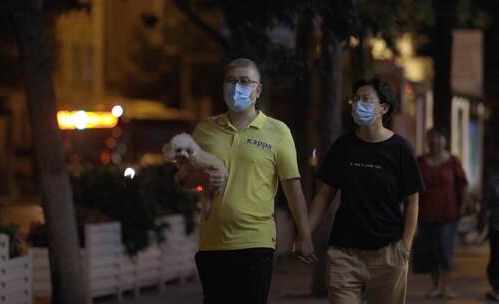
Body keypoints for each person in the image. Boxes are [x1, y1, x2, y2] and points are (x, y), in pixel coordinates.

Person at [177, 58, 316, 304]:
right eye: (231, 80)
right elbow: (182, 178)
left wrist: (304, 234)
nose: (236, 87)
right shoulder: (204, 130)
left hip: (256, 241)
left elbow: (292, 187)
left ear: (258, 90)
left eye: (244, 81)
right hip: (212, 244)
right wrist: (199, 179)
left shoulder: (278, 132)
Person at [308, 77, 425, 304]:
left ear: (383, 108)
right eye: (356, 99)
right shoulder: (343, 147)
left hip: (388, 254)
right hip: (344, 254)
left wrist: (405, 247)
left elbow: (413, 201)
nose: (358, 103)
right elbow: (324, 195)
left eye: (366, 99)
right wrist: (305, 233)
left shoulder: (400, 149)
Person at [415, 127, 470, 299]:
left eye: (439, 137)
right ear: (427, 140)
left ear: (445, 141)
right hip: (425, 212)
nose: (435, 140)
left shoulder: (453, 161)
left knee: (445, 249)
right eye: (431, 137)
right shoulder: (420, 161)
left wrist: (464, 204)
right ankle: (435, 286)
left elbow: (462, 184)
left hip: (448, 212)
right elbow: (413, 186)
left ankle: (445, 286)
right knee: (430, 250)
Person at [479, 157, 499, 301]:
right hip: (496, 226)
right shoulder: (493, 181)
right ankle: (496, 287)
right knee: (496, 257)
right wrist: (482, 220)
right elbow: (485, 203)